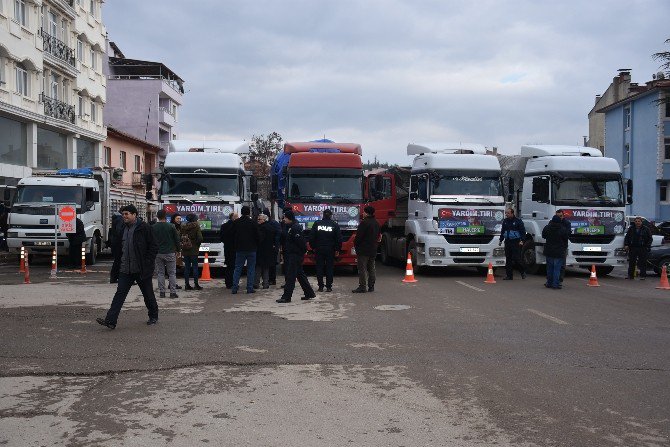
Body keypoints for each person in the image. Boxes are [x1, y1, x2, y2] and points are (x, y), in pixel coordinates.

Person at [96, 204, 159, 329]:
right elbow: (119, 248)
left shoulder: (144, 228)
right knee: (119, 294)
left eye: (127, 214)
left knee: (148, 294)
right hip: (125, 269)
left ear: (134, 215)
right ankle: (111, 321)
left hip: (141, 269)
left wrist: (147, 263)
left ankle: (153, 316)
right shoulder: (122, 228)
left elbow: (153, 247)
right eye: (123, 214)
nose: (124, 216)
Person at [276, 210, 316, 303]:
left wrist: (302, 252)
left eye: (285, 217)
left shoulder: (295, 228)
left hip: (295, 255)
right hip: (293, 254)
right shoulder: (290, 227)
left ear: (289, 218)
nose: (284, 219)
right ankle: (309, 293)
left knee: (291, 276)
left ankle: (286, 297)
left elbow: (301, 242)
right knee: (300, 275)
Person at [309, 209, 342, 292]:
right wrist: (337, 249)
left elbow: (312, 237)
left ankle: (320, 286)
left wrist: (313, 247)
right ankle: (329, 287)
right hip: (330, 250)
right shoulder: (334, 224)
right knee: (329, 268)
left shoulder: (317, 223)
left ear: (323, 215)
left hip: (319, 249)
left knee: (319, 267)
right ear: (331, 215)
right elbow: (339, 239)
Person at [231, 205, 261, 294]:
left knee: (237, 268)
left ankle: (235, 288)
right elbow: (258, 236)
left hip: (240, 249)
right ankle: (249, 288)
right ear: (249, 213)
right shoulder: (253, 223)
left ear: (241, 212)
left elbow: (233, 235)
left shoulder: (236, 222)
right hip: (251, 249)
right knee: (251, 269)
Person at [152, 209, 181, 298]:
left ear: (157, 217)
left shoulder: (153, 227)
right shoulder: (171, 226)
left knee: (160, 273)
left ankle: (162, 292)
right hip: (170, 252)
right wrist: (178, 250)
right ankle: (172, 292)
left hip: (158, 253)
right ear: (165, 216)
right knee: (172, 273)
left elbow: (151, 240)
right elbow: (177, 240)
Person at [352, 206, 380, 293]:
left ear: (367, 213)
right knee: (371, 268)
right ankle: (371, 286)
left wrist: (356, 244)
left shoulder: (364, 223)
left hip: (363, 249)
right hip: (373, 249)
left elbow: (359, 237)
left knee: (362, 268)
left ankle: (362, 286)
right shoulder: (376, 223)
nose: (362, 213)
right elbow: (378, 235)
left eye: (363, 212)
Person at [542, 215, 569, 289]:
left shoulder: (547, 227)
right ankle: (555, 284)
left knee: (549, 268)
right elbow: (566, 239)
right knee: (557, 268)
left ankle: (549, 283)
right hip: (559, 251)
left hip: (549, 250)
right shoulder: (563, 229)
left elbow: (543, 236)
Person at [499, 208, 526, 280]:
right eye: (506, 213)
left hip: (516, 241)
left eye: (508, 213)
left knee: (516, 258)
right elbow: (502, 231)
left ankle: (522, 271)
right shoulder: (505, 221)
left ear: (512, 213)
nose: (506, 214)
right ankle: (509, 276)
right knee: (508, 259)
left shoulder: (518, 221)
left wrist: (522, 240)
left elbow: (522, 231)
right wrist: (501, 239)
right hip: (507, 241)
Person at [181, 214, 204, 290]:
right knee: (195, 267)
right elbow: (200, 238)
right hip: (194, 249)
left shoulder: (183, 226)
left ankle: (187, 285)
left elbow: (180, 237)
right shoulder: (196, 226)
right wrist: (197, 245)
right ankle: (196, 284)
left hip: (185, 249)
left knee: (187, 267)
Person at [254, 213, 276, 289]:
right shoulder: (271, 227)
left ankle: (256, 283)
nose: (258, 221)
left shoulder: (260, 228)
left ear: (264, 220)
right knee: (266, 268)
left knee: (258, 267)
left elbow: (259, 239)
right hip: (268, 250)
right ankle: (266, 284)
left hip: (260, 250)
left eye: (259, 219)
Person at [220, 212, 238, 289]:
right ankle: (233, 283)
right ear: (233, 217)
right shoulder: (236, 226)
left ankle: (228, 283)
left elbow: (221, 238)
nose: (238, 218)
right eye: (237, 217)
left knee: (228, 266)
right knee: (234, 267)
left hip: (227, 249)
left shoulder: (224, 226)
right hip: (235, 249)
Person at [266, 210, 282, 286]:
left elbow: (278, 235)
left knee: (272, 264)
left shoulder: (273, 223)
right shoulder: (274, 223)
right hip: (272, 246)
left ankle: (272, 279)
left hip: (273, 246)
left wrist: (275, 245)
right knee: (271, 263)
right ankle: (270, 279)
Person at [556, 209, 572, 284]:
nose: (559, 218)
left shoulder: (567, 223)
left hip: (563, 246)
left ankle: (560, 280)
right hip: (554, 246)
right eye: (557, 216)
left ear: (563, 215)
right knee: (552, 265)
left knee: (562, 264)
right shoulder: (553, 223)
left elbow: (567, 234)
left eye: (560, 216)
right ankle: (551, 280)